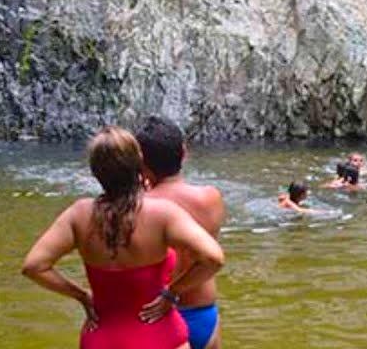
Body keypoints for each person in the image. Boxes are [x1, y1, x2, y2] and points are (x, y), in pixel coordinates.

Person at [21, 127, 225, 349]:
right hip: (160, 335)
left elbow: (33, 266)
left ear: (95, 171)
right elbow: (213, 258)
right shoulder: (162, 213)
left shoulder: (78, 215)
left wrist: (81, 295)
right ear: (139, 164)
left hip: (102, 337)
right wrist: (172, 293)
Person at [136, 116, 227, 349]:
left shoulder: (139, 206)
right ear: (184, 152)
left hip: (157, 317)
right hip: (203, 314)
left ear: (141, 163)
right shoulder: (211, 198)